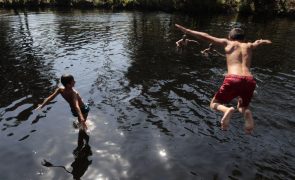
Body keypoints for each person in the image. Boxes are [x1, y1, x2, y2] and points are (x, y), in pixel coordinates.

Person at [175, 24, 272, 134]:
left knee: (213, 104)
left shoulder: (227, 43)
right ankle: (247, 114)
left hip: (233, 79)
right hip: (249, 80)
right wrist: (262, 41)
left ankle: (227, 110)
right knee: (243, 106)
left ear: (229, 37)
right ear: (244, 39)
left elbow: (205, 36)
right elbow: (257, 43)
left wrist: (187, 30)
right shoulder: (248, 45)